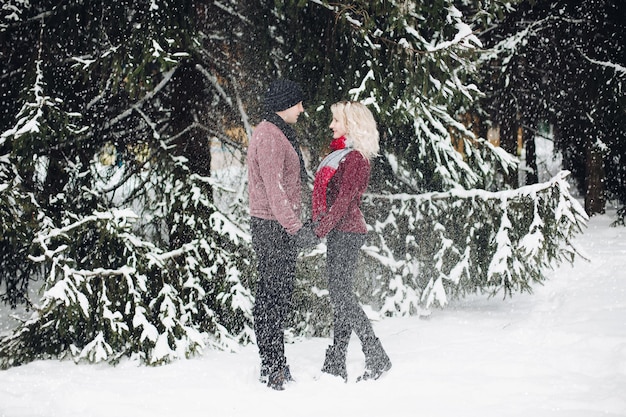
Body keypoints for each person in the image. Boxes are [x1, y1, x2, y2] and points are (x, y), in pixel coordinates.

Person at [312, 101, 391, 382]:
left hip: (347, 232)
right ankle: (336, 363)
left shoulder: (355, 158)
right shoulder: (342, 156)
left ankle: (376, 356)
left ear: (352, 125)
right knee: (340, 296)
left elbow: (345, 201)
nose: (331, 125)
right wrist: (323, 227)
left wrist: (320, 229)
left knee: (342, 296)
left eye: (336, 120)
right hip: (340, 231)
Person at [247, 79, 318, 391]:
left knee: (276, 296)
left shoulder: (276, 132)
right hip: (272, 228)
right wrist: (296, 229)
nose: (302, 109)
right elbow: (275, 192)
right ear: (285, 104)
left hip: (275, 227)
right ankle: (272, 366)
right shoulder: (270, 137)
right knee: (272, 297)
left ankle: (275, 363)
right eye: (298, 103)